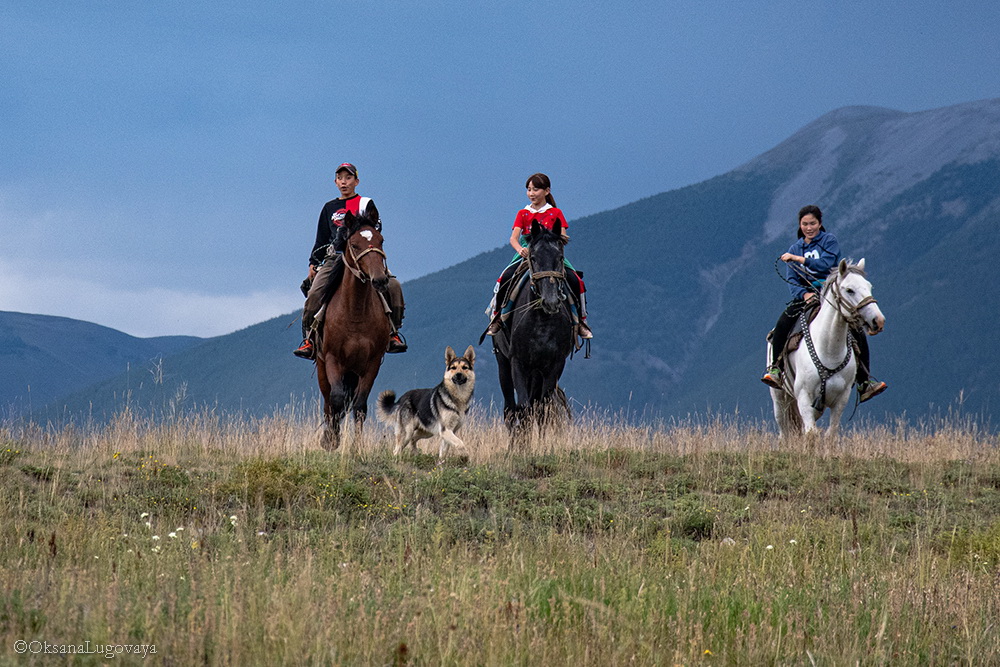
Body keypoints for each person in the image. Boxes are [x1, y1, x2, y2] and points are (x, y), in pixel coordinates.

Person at [761, 205, 887, 402]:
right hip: (806, 298)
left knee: (856, 331)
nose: (809, 227)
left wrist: (799, 259)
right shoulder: (795, 247)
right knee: (783, 324)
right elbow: (792, 279)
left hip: (833, 296)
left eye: (812, 223)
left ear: (820, 223)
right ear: (799, 225)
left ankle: (865, 382)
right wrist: (803, 295)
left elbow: (827, 264)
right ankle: (776, 369)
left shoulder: (829, 241)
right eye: (805, 224)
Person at [294, 163, 407, 359]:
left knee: (394, 287)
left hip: (363, 255)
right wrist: (313, 263)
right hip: (335, 257)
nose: (344, 182)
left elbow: (374, 230)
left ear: (356, 181)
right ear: (335, 182)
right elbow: (321, 238)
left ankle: (393, 334)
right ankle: (308, 340)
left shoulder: (366, 203)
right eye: (340, 178)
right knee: (314, 294)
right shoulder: (329, 207)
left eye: (348, 178)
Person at [485, 173, 592, 339]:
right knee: (505, 277)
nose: (531, 193)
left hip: (550, 254)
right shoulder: (523, 213)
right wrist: (521, 249)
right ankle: (499, 316)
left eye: (536, 189)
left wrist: (553, 241)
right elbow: (513, 238)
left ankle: (581, 321)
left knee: (575, 280)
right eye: (529, 189)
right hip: (527, 254)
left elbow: (563, 236)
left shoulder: (556, 212)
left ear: (547, 191)